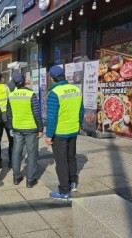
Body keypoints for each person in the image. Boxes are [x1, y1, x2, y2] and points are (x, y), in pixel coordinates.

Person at [45, 65, 84, 201]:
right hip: (73, 130)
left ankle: (64, 191)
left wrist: (49, 135)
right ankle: (73, 182)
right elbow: (81, 111)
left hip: (60, 133)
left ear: (52, 78)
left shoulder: (54, 93)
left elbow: (52, 117)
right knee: (71, 157)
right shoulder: (76, 89)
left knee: (61, 162)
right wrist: (79, 125)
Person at [7, 73, 43, 188]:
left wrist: (11, 127)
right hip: (31, 128)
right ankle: (30, 180)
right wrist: (40, 128)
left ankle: (16, 177)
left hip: (17, 128)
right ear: (24, 82)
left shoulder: (11, 95)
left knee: (16, 152)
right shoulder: (31, 94)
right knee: (32, 153)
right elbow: (37, 113)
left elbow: (9, 114)